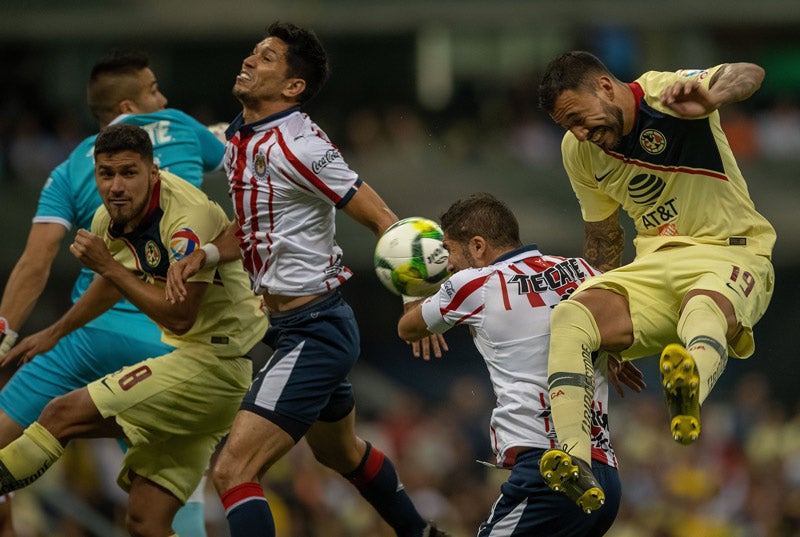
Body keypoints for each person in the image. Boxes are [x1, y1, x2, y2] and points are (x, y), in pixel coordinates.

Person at [164, 21, 448, 537]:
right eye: (253, 52)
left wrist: (416, 299)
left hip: (314, 330)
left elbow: (386, 221)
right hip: (289, 327)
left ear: (294, 87)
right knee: (342, 453)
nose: (250, 61)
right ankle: (422, 533)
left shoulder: (302, 146)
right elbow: (250, 229)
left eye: (267, 58)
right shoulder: (243, 136)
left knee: (233, 471)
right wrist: (203, 255)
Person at [0, 123, 268, 537]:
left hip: (213, 366)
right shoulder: (111, 217)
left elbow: (180, 317)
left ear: (153, 172)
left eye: (128, 172)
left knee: (60, 414)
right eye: (106, 174)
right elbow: (110, 283)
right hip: (198, 364)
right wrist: (56, 332)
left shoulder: (185, 220)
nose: (116, 186)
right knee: (146, 520)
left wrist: (106, 265)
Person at [535, 50, 775, 507]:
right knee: (570, 317)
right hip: (653, 266)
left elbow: (750, 72)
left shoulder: (666, 92)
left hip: (730, 252)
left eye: (579, 118)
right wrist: (607, 330)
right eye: (568, 126)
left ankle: (688, 392)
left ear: (605, 88)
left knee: (702, 307)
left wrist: (714, 94)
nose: (580, 133)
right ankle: (574, 459)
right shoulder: (580, 152)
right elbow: (604, 238)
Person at [398, 193, 646, 534]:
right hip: (604, 474)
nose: (449, 265)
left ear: (478, 246)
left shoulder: (475, 284)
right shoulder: (582, 270)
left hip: (550, 472)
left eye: (451, 252)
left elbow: (408, 328)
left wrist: (410, 284)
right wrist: (612, 353)